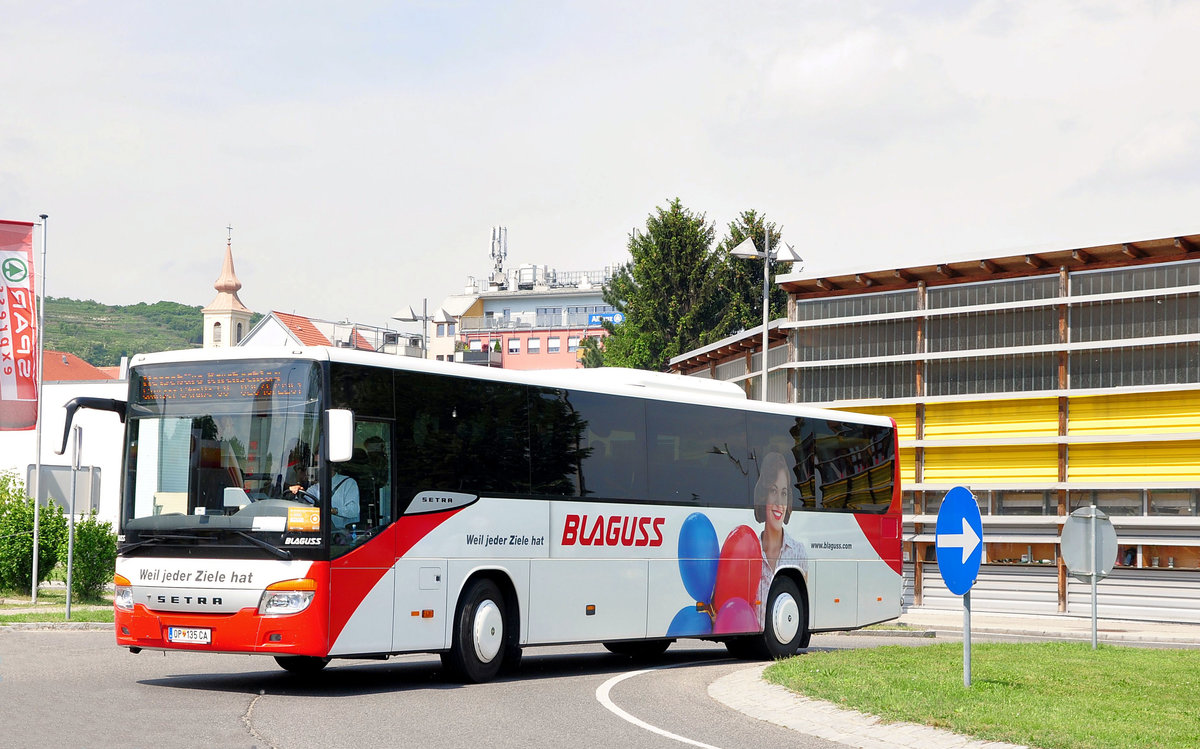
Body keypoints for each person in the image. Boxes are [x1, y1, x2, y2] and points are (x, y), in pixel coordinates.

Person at [753, 451, 808, 628]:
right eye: (773, 491)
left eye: (784, 493)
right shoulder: (750, 549)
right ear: (763, 496)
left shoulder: (798, 553)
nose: (779, 502)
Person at [289, 451, 360, 530]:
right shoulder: (316, 487)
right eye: (315, 464)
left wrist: (331, 510)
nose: (317, 467)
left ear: (331, 465)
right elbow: (302, 503)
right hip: (319, 532)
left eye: (320, 463)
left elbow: (353, 510)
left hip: (342, 533)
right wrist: (296, 490)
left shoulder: (348, 483)